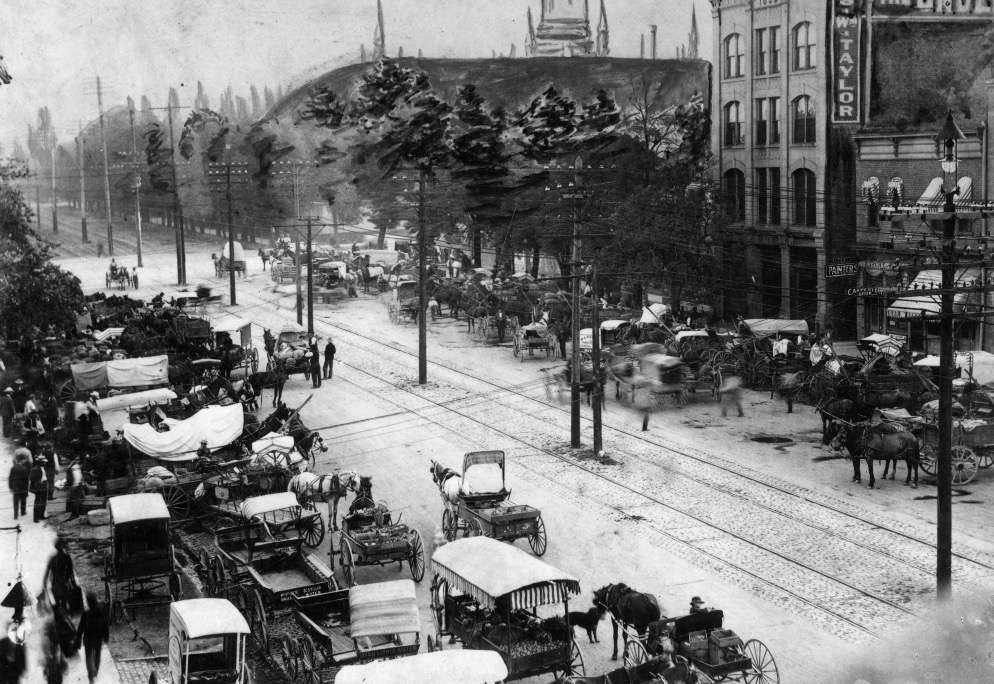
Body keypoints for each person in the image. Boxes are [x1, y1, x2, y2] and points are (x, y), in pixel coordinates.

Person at [74, 592, 109, 684]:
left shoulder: (86, 613)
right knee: (97, 654)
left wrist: (78, 639)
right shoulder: (102, 610)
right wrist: (106, 636)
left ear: (89, 602)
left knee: (88, 656)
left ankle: (91, 675)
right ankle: (96, 672)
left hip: (89, 638)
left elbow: (81, 628)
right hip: (98, 637)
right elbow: (106, 625)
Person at [7, 450, 30, 521]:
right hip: (23, 487)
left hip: (15, 486)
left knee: (16, 501)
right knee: (23, 500)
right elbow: (26, 479)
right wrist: (27, 488)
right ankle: (23, 512)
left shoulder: (13, 468)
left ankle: (15, 515)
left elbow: (10, 478)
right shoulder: (24, 468)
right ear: (22, 460)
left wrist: (10, 487)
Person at [30, 456, 48, 522]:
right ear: (40, 462)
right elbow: (32, 479)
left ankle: (41, 515)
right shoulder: (35, 469)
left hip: (44, 485)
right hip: (39, 487)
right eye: (44, 462)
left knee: (43, 501)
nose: (45, 463)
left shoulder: (43, 468)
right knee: (38, 502)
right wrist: (38, 484)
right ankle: (36, 518)